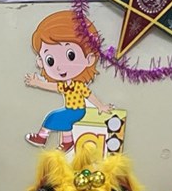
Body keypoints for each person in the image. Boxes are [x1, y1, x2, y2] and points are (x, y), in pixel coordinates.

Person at [24, 11, 111, 152]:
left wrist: (100, 106)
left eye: (71, 55)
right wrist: (37, 83)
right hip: (71, 109)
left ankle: (44, 137)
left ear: (89, 59)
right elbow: (52, 86)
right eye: (50, 60)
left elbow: (89, 95)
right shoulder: (65, 85)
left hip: (78, 110)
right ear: (41, 62)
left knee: (55, 117)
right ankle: (66, 142)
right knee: (61, 120)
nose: (59, 67)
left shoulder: (78, 86)